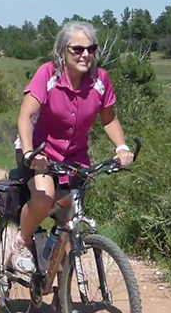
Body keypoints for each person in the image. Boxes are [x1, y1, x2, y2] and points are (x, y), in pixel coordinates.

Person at [8, 21, 134, 275]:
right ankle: (22, 242)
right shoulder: (48, 74)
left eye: (91, 49)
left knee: (70, 222)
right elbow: (25, 116)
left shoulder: (100, 80)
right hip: (39, 150)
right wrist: (32, 153)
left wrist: (121, 147)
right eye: (77, 49)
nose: (85, 54)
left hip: (75, 158)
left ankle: (59, 296)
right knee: (44, 198)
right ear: (62, 51)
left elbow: (108, 118)